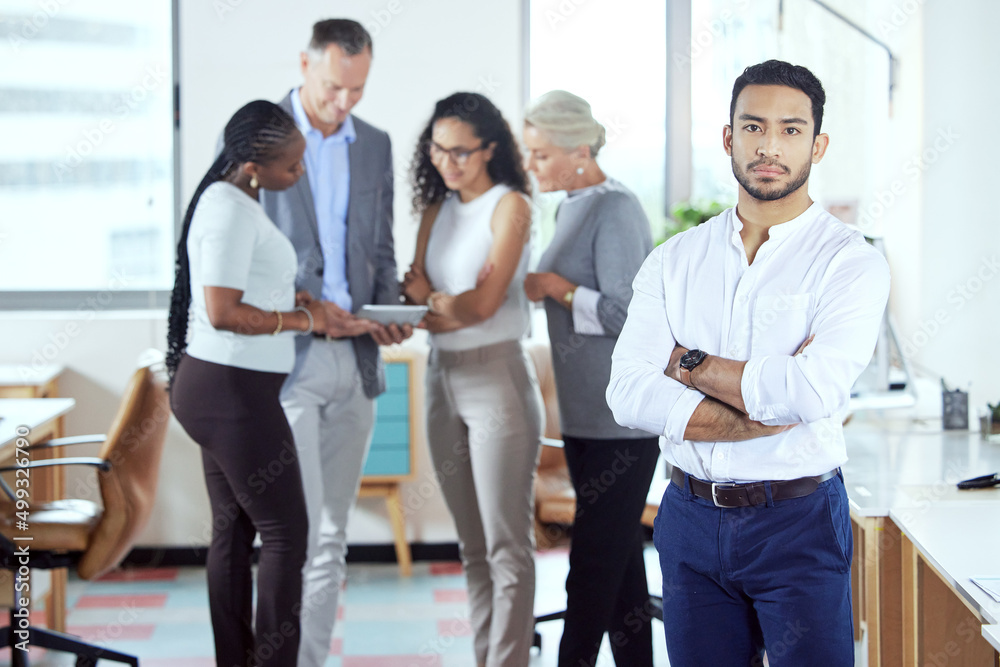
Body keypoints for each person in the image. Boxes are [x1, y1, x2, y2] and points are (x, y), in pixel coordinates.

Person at [607, 60, 890, 665]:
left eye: (791, 130)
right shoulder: (673, 260)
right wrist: (761, 408)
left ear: (817, 145)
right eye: (754, 127)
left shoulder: (850, 262)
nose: (769, 146)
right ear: (728, 137)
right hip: (688, 520)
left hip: (799, 521)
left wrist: (687, 363)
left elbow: (813, 392)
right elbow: (627, 392)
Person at [257, 19, 412, 666]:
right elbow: (237, 260)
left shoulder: (373, 144)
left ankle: (310, 659)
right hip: (287, 360)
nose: (344, 101)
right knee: (292, 531)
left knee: (332, 534)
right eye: (333, 86)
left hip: (358, 359)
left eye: (358, 89)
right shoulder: (258, 137)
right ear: (304, 64)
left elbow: (381, 248)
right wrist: (304, 309)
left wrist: (392, 310)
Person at [167, 100, 328, 667]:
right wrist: (305, 320)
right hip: (230, 393)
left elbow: (240, 288)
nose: (300, 173)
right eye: (292, 165)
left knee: (234, 533)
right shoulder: (229, 210)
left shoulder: (236, 200)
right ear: (254, 167)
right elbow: (222, 312)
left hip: (223, 389)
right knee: (286, 533)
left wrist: (287, 300)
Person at [402, 92, 543, 667]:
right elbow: (415, 297)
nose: (447, 162)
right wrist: (448, 304)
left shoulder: (511, 206)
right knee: (473, 547)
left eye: (460, 151)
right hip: (440, 376)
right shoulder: (435, 210)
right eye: (437, 149)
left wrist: (439, 300)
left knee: (507, 545)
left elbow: (483, 306)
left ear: (489, 149)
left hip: (497, 378)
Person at [521, 90, 660, 667]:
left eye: (541, 155)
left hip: (620, 424)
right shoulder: (570, 205)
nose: (531, 166)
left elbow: (629, 314)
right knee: (620, 570)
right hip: (585, 418)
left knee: (590, 569)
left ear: (580, 151)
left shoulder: (615, 207)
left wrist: (558, 289)